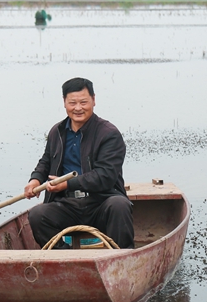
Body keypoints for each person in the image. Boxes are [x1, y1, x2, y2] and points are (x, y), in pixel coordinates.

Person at [25, 77, 134, 249]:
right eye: (72, 103)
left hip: (101, 202)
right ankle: (65, 258)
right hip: (67, 204)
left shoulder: (109, 134)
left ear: (93, 100)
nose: (78, 108)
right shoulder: (57, 131)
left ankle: (122, 258)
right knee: (37, 215)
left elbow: (105, 176)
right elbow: (46, 161)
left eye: (83, 102)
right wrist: (35, 180)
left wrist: (67, 184)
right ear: (64, 103)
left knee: (119, 206)